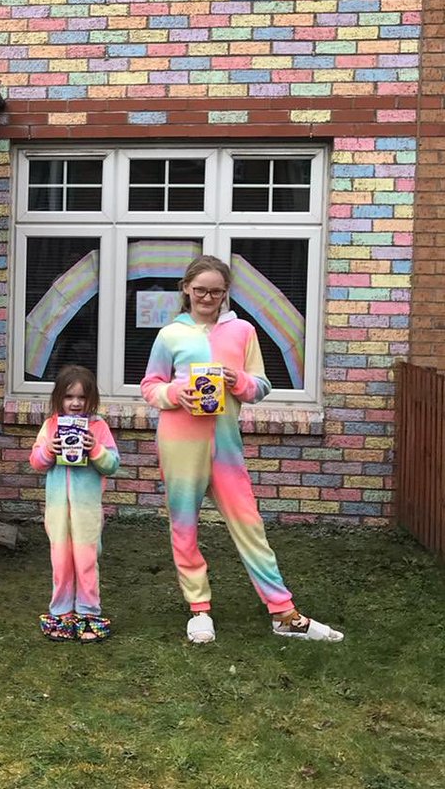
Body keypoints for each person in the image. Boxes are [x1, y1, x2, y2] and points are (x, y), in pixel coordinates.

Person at [141, 255, 344, 644]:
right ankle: (198, 611)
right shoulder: (170, 335)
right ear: (186, 289)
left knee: (250, 524)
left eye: (215, 291)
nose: (207, 296)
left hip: (226, 444)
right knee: (184, 527)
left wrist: (240, 382)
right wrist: (173, 393)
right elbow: (150, 385)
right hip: (180, 441)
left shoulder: (243, 331)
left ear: (225, 293)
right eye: (200, 289)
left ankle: (283, 612)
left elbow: (262, 386)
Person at [29, 364, 120, 643]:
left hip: (87, 510)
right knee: (61, 561)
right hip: (57, 511)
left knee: (86, 561)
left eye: (81, 397)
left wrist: (95, 448)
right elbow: (36, 462)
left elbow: (112, 464)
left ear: (91, 399)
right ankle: (61, 612)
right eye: (69, 397)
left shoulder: (98, 427)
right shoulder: (50, 426)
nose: (76, 403)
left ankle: (88, 613)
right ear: (59, 398)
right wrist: (48, 450)